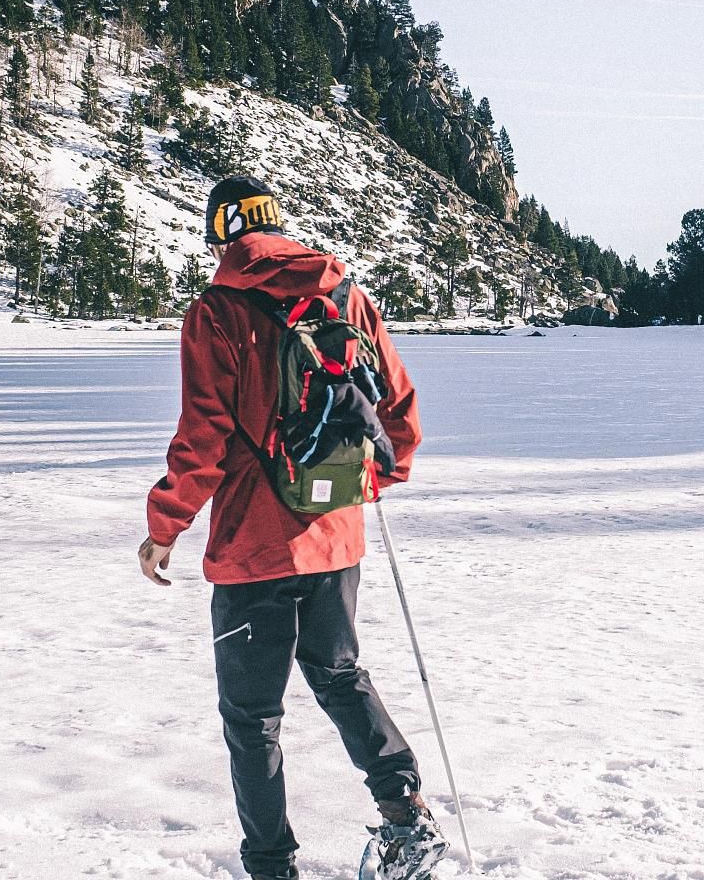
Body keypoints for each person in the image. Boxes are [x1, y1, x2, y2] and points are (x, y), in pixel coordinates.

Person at [140, 175, 447, 880]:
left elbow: (206, 436)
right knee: (340, 675)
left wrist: (167, 524)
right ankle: (407, 817)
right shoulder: (346, 297)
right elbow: (400, 414)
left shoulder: (217, 310)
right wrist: (366, 484)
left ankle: (272, 868)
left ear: (220, 232)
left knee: (252, 721)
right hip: (335, 534)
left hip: (254, 545)